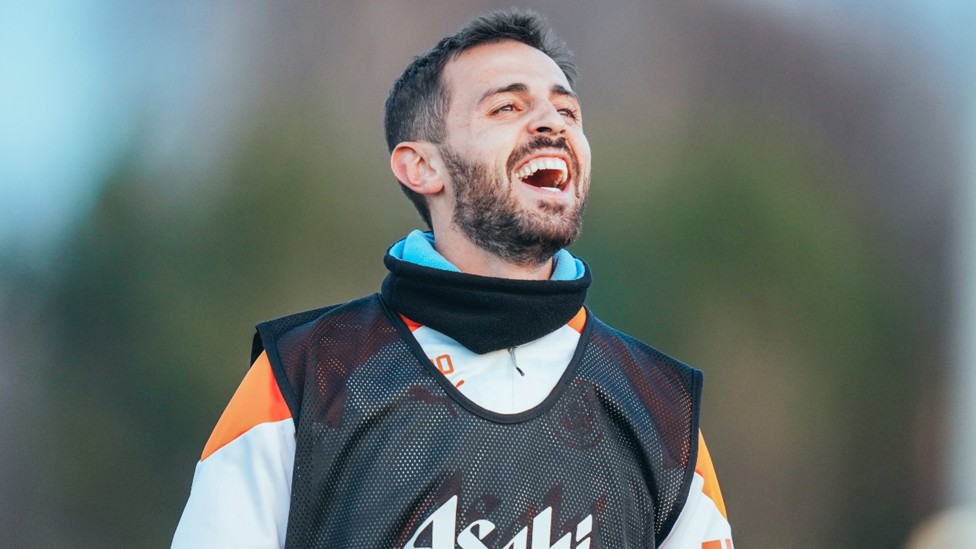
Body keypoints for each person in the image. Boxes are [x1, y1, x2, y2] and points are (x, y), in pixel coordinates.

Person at [173, 8, 733, 549]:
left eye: (568, 112)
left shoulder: (662, 409)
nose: (551, 124)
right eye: (506, 108)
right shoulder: (303, 374)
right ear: (421, 167)